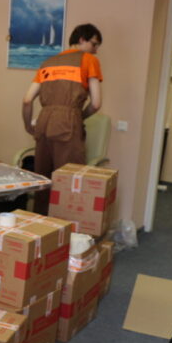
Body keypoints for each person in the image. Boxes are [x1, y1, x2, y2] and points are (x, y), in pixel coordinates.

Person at [22, 23, 103, 214]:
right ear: (81, 39)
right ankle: (66, 228)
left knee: (43, 181)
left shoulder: (48, 62)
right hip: (68, 121)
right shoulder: (89, 60)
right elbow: (96, 103)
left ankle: (41, 227)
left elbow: (27, 100)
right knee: (70, 182)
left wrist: (28, 126)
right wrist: (78, 117)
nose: (96, 50)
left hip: (43, 122)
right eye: (94, 44)